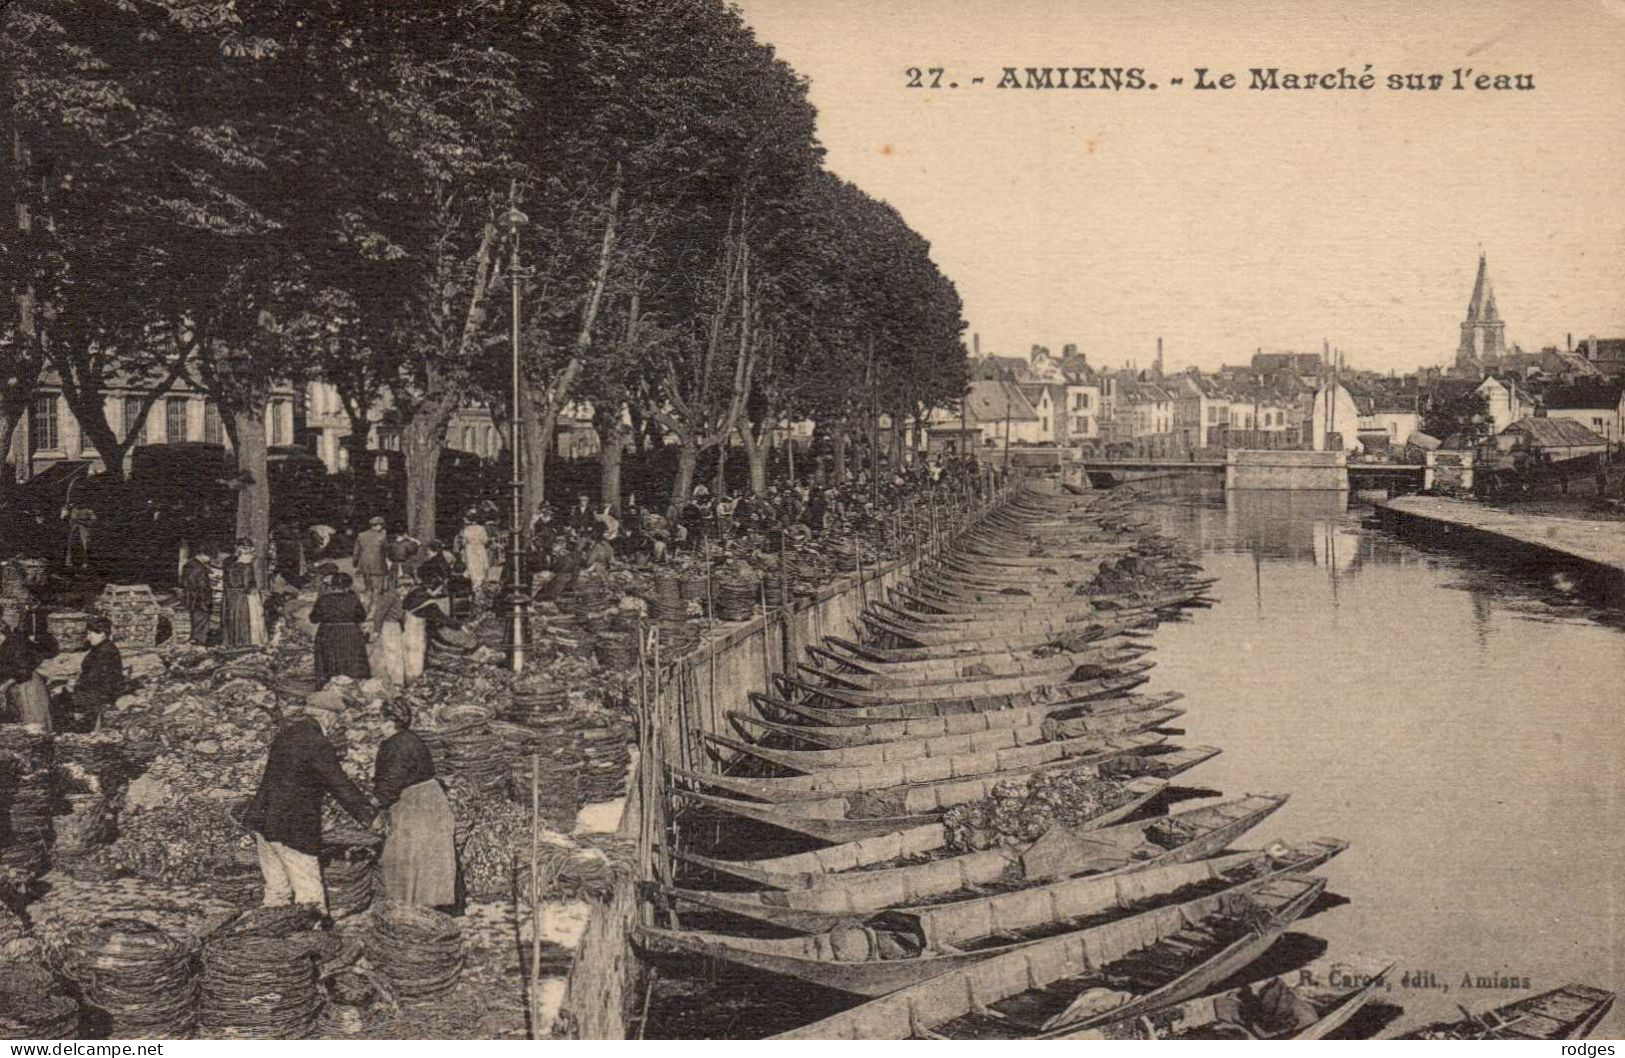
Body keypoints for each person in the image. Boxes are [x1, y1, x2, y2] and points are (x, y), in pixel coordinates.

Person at [239, 689, 376, 913]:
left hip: (264, 820)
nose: (337, 724)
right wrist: (369, 816)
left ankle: (274, 933)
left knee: (277, 891)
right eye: (337, 718)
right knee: (309, 894)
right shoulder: (317, 743)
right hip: (291, 827)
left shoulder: (288, 733)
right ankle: (315, 937)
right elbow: (339, 784)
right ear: (327, 716)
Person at [373, 699, 456, 908]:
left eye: (380, 720)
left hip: (416, 802)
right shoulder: (411, 738)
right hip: (430, 798)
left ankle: (412, 904)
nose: (378, 725)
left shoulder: (397, 745)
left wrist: (374, 803)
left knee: (410, 854)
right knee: (430, 854)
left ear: (390, 722)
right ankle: (429, 902)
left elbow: (392, 782)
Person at [311, 572, 370, 686]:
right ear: (348, 586)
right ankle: (352, 686)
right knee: (351, 660)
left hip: (328, 633)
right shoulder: (353, 599)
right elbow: (361, 616)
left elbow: (313, 618)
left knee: (329, 660)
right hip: (350, 633)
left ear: (332, 586)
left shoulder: (323, 599)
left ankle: (327, 686)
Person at [66, 615, 123, 732]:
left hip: (100, 694)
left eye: (92, 633)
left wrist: (74, 686)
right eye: (88, 633)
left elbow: (95, 678)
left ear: (102, 633)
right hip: (97, 690)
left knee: (61, 700)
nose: (88, 637)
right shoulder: (100, 647)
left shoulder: (106, 652)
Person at [0, 620, 50, 730]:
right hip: (12, 689)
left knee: (33, 728)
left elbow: (23, 670)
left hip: (27, 686)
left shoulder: (16, 642)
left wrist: (4, 687)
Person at [221, 540, 265, 649]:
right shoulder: (246, 567)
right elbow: (247, 586)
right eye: (250, 554)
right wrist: (255, 592)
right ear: (245, 553)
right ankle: (245, 642)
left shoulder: (230, 565)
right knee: (245, 619)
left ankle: (232, 642)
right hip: (242, 597)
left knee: (232, 618)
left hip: (230, 596)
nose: (252, 557)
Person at [368, 581, 408, 687]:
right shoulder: (389, 597)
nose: (406, 591)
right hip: (389, 626)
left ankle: (396, 680)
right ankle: (394, 681)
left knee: (395, 653)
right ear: (400, 587)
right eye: (405, 587)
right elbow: (379, 613)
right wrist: (376, 630)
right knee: (391, 653)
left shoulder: (398, 597)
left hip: (395, 626)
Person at [180, 550, 215, 646]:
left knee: (194, 620)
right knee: (202, 620)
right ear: (201, 555)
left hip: (191, 598)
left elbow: (183, 582)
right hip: (200, 599)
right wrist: (208, 599)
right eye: (209, 557)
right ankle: (200, 642)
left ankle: (194, 639)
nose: (209, 559)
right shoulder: (200, 568)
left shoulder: (188, 565)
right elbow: (203, 587)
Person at [354, 516, 389, 602]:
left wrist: (355, 562)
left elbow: (356, 551)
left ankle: (367, 604)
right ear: (379, 525)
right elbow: (386, 549)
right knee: (378, 588)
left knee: (368, 587)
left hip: (365, 564)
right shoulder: (383, 535)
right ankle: (376, 607)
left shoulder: (361, 535)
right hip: (378, 564)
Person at [455, 512, 490, 589]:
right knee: (481, 567)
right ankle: (480, 586)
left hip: (470, 550)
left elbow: (464, 542)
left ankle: (475, 586)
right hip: (480, 548)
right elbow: (485, 540)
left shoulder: (466, 529)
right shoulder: (481, 528)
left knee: (472, 567)